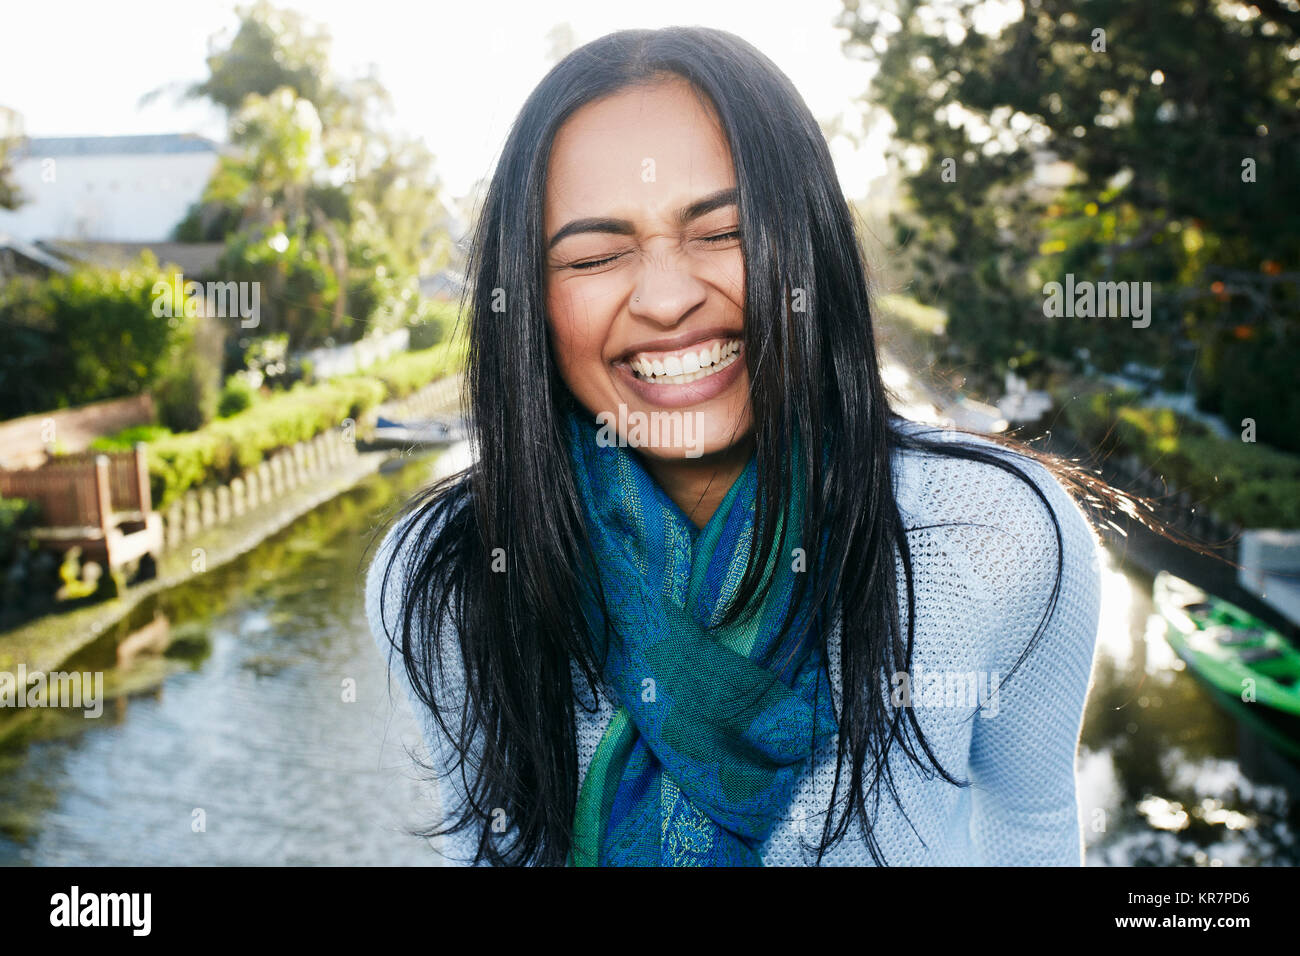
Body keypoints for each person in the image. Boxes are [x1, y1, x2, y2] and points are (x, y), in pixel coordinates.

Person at [367, 26, 1111, 866]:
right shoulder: (442, 573)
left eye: (723, 232)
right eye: (598, 254)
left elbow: (1033, 832)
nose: (668, 298)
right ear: (529, 301)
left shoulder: (996, 537)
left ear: (811, 251)